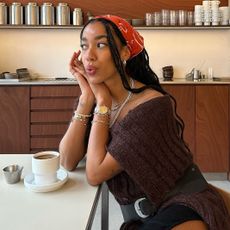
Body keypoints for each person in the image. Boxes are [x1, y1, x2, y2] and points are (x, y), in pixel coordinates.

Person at [59, 15, 230, 230]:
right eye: (84, 47)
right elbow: (67, 160)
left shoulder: (152, 106)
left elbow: (95, 173)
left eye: (101, 45)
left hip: (183, 204)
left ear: (124, 53)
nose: (88, 56)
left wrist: (101, 101)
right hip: (143, 217)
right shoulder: (94, 99)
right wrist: (85, 100)